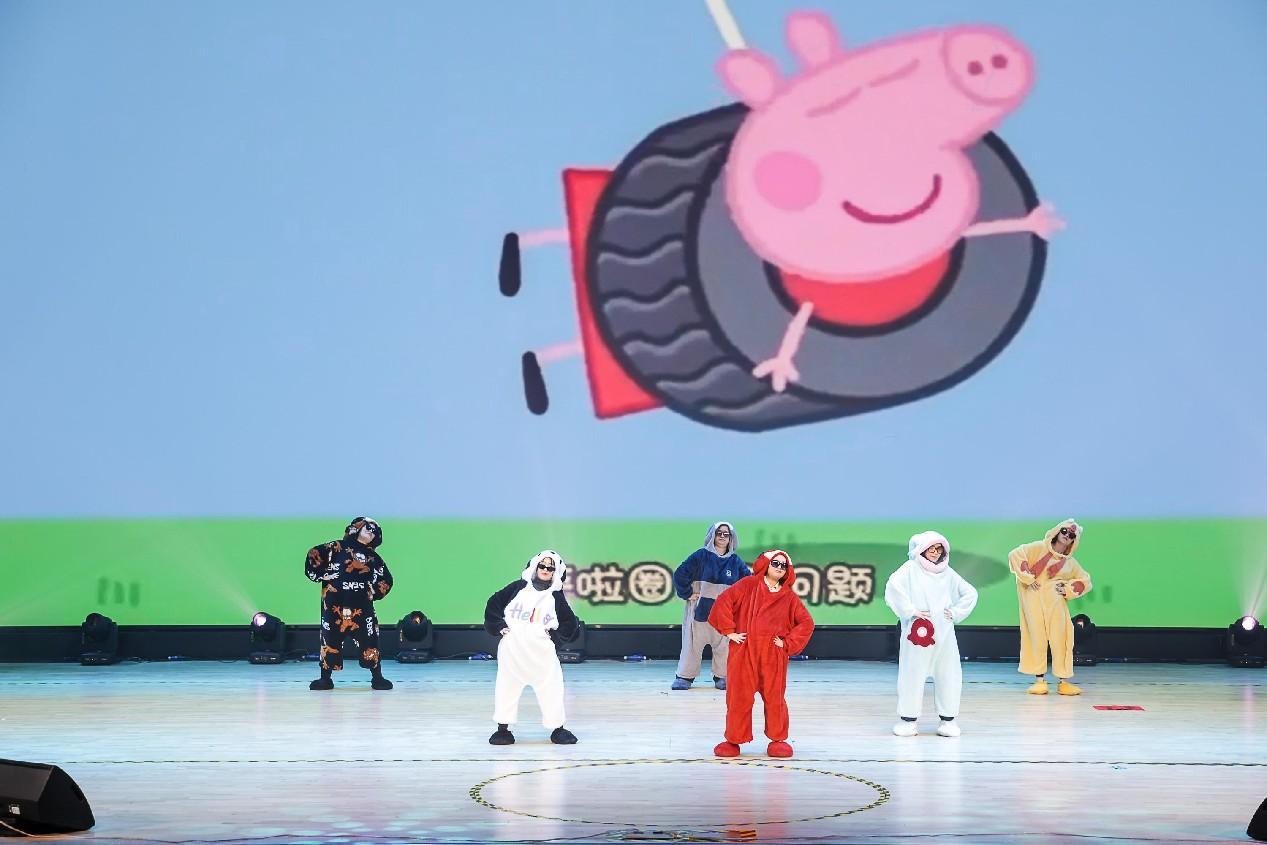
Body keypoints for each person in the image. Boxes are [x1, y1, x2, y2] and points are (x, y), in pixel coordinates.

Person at [707, 549, 815, 759]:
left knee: (775, 699)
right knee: (738, 697)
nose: (779, 568)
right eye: (776, 563)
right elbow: (724, 601)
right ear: (766, 564)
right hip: (744, 652)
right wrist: (729, 631)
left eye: (784, 565)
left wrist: (787, 643)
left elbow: (806, 623)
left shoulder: (788, 597)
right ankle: (733, 739)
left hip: (772, 655)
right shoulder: (748, 585)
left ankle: (778, 739)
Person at [884, 531, 979, 737]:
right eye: (931, 549)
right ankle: (908, 721)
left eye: (939, 549)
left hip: (944, 636)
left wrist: (956, 612)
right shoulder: (910, 569)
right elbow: (893, 586)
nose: (935, 553)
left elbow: (970, 593)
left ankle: (948, 720)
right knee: (912, 674)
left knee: (949, 675)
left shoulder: (948, 573)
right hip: (916, 637)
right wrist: (910, 611)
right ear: (921, 549)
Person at [483, 549, 580, 745]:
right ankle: (503, 729)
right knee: (506, 688)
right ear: (535, 566)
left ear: (555, 572)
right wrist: (498, 626)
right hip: (513, 651)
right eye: (542, 565)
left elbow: (570, 623)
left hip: (542, 654)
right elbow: (493, 603)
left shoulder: (556, 597)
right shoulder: (518, 588)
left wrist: (556, 637)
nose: (545, 569)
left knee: (552, 689)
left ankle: (558, 728)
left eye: (550, 568)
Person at [304, 517, 394, 690]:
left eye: (375, 531)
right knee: (329, 640)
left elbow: (386, 579)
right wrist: (320, 575)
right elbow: (314, 554)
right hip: (333, 607)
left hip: (363, 609)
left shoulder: (374, 558)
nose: (371, 532)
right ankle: (325, 678)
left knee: (370, 640)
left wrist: (374, 592)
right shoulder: (336, 547)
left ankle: (377, 677)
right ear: (356, 528)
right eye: (368, 527)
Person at [1008, 519, 1093, 695]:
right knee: (1036, 638)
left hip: (1055, 604)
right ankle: (1039, 681)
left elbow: (1085, 580)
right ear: (1057, 531)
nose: (1067, 536)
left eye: (1072, 535)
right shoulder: (1037, 548)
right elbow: (1015, 555)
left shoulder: (1070, 562)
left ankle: (1063, 681)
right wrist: (1028, 578)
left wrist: (1067, 589)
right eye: (1064, 531)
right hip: (1034, 600)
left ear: (1074, 541)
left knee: (1061, 639)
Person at [671, 521, 750, 690]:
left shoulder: (736, 562)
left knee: (724, 647)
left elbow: (748, 585)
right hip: (698, 612)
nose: (722, 536)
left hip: (724, 615)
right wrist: (687, 593)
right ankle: (684, 677)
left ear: (731, 538)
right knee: (691, 645)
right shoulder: (700, 556)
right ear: (712, 535)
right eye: (719, 533)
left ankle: (723, 676)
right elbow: (680, 574)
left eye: (726, 534)